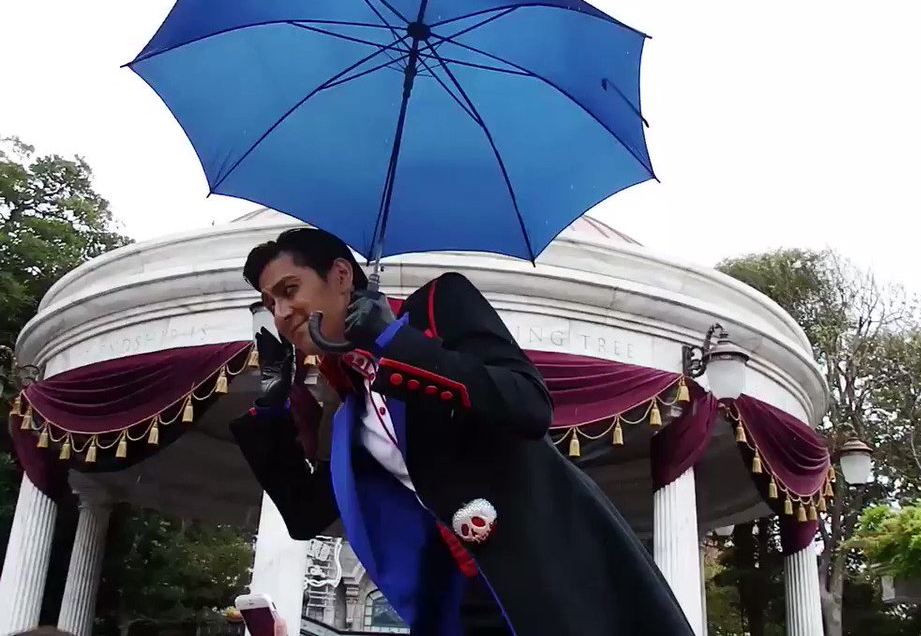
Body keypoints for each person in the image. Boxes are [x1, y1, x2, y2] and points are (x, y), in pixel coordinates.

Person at [230, 228, 692, 636]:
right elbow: (306, 514)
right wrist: (271, 405)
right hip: (459, 602)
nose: (282, 312)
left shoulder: (438, 308)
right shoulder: (349, 403)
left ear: (341, 275)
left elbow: (529, 405)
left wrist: (394, 343)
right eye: (271, 304)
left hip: (553, 577)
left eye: (290, 290)